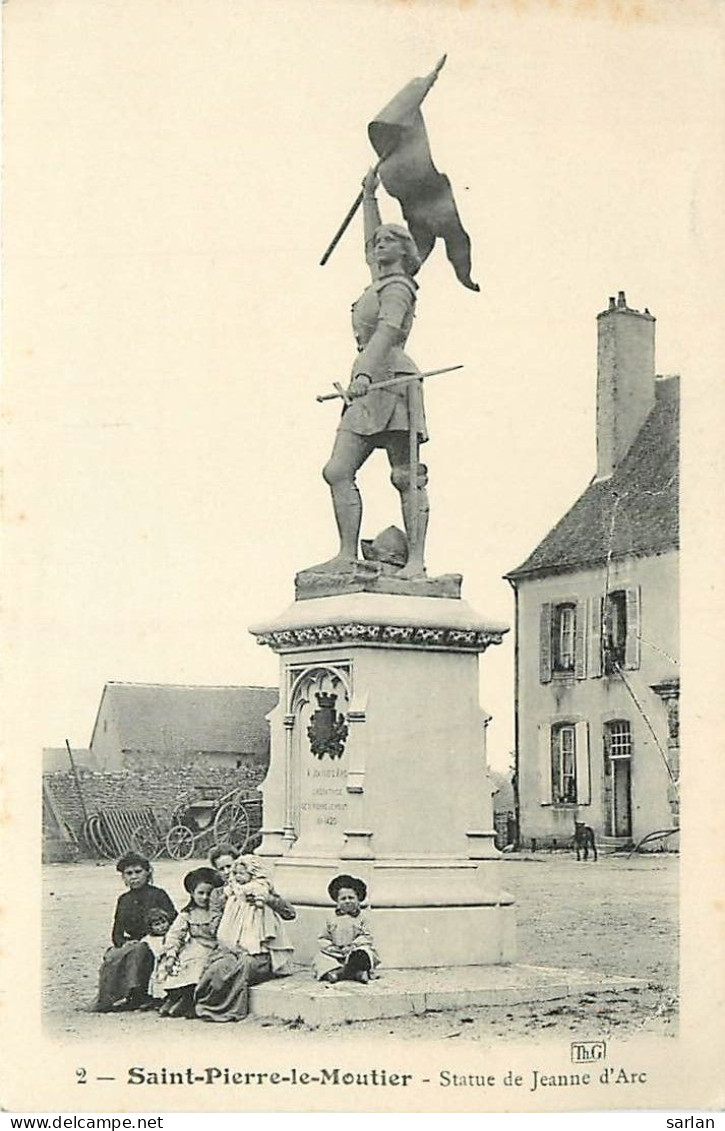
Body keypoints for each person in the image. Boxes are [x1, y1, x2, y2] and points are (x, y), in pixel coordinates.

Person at [314, 167, 429, 579]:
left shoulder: (399, 288)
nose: (378, 245)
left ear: (402, 251)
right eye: (377, 241)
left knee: (405, 475)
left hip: (392, 380)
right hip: (365, 385)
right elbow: (367, 242)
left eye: (387, 242)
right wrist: (368, 196)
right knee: (337, 471)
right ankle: (347, 553)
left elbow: (388, 331)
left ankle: (415, 561)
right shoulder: (377, 283)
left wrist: (362, 372)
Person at [194, 858, 297, 1023]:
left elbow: (290, 913)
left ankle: (232, 1009)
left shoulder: (262, 888)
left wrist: (268, 900)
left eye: (231, 867)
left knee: (245, 965)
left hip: (259, 949)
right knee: (220, 966)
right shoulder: (220, 894)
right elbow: (215, 929)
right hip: (231, 945)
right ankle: (207, 1006)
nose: (228, 872)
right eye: (223, 869)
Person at [93, 852, 176, 1013]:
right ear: (123, 877)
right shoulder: (123, 900)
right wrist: (123, 943)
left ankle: (142, 995)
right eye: (128, 873)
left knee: (142, 950)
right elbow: (117, 932)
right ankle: (123, 995)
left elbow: (174, 921)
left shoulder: (158, 894)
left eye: (138, 872)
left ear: (148, 872)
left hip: (159, 940)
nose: (134, 877)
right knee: (114, 956)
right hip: (135, 942)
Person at [156, 867, 222, 1019]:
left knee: (199, 964)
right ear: (192, 893)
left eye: (209, 893)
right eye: (200, 893)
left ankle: (190, 1000)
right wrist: (172, 953)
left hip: (212, 948)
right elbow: (175, 934)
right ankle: (173, 996)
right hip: (193, 946)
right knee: (177, 961)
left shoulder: (217, 913)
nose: (205, 898)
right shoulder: (188, 913)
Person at [313, 874, 379, 984]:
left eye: (351, 898)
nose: (347, 901)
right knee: (320, 959)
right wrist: (331, 948)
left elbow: (366, 935)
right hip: (335, 953)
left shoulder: (362, 919)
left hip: (353, 951)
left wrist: (353, 946)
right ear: (337, 902)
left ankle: (342, 973)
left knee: (363, 955)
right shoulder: (330, 919)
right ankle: (352, 973)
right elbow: (323, 937)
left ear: (358, 900)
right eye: (343, 899)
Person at [142, 906, 173, 1006]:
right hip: (159, 963)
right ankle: (158, 1000)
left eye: (163, 922)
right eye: (157, 925)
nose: (161, 927)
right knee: (159, 979)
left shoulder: (172, 935)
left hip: (172, 960)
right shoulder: (150, 939)